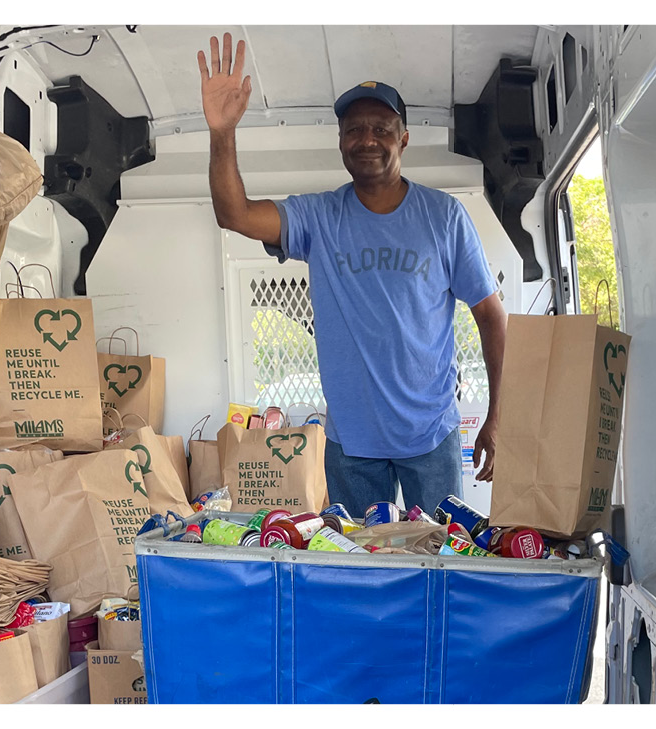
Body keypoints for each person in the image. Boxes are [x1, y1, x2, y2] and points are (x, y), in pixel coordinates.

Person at [198, 33, 507, 514]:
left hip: (431, 435)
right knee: (361, 571)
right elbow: (234, 214)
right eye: (354, 129)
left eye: (382, 129)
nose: (367, 140)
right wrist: (222, 133)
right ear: (340, 141)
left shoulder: (444, 218)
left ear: (404, 138)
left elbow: (491, 315)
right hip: (351, 442)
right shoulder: (319, 217)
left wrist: (497, 416)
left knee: (444, 561)